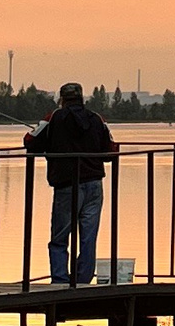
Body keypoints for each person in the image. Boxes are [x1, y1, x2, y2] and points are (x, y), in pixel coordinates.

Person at [24, 80, 119, 286]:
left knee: (59, 237)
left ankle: (60, 280)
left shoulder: (53, 118)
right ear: (82, 98)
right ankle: (83, 280)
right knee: (88, 237)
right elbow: (111, 151)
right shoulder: (96, 119)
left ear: (62, 100)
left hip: (66, 184)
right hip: (94, 184)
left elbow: (30, 142)